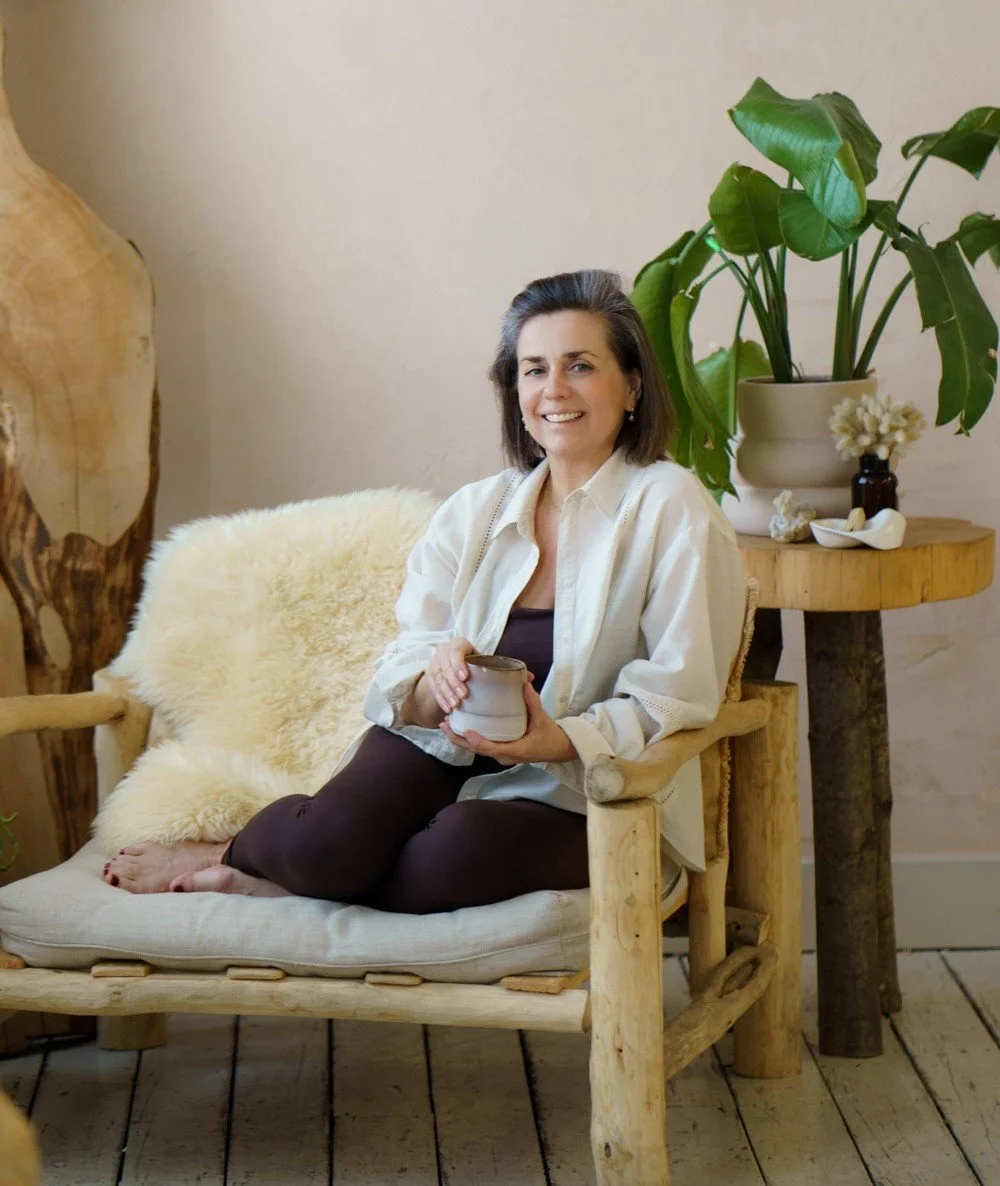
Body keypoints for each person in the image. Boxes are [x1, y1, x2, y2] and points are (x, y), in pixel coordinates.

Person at [102, 269, 747, 912]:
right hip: (448, 743)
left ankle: (282, 878)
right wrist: (429, 683)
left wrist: (554, 740)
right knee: (326, 846)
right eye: (533, 369)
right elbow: (409, 651)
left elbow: (676, 695)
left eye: (580, 366)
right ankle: (244, 855)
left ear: (631, 385)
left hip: (585, 788)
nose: (553, 390)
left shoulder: (673, 508)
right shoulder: (476, 512)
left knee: (448, 857)